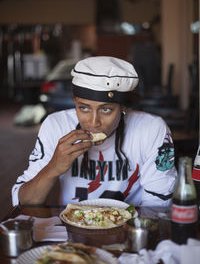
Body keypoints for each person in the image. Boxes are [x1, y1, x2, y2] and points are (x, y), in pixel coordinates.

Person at [12, 56, 177, 207]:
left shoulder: (151, 129)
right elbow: (21, 202)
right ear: (74, 101)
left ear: (123, 107)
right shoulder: (56, 126)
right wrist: (53, 168)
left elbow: (158, 206)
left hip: (130, 230)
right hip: (71, 232)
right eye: (83, 108)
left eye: (106, 110)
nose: (93, 122)